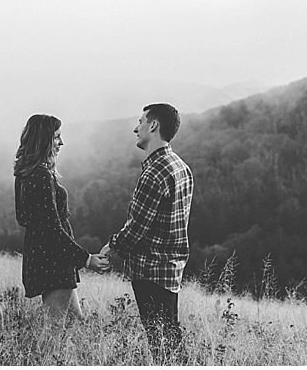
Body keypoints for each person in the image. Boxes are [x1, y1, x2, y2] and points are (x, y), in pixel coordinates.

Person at [101, 103, 193, 361]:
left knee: (162, 344)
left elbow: (137, 228)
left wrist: (112, 247)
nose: (135, 128)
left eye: (140, 122)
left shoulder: (154, 172)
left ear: (153, 126)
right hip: (171, 269)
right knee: (169, 337)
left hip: (151, 270)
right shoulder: (181, 166)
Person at [14, 114, 110, 320]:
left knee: (75, 322)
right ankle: (39, 355)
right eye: (56, 137)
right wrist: (86, 259)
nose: (61, 142)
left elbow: (23, 217)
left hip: (47, 257)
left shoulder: (26, 172)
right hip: (53, 261)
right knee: (53, 332)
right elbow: (51, 230)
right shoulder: (40, 175)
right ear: (43, 140)